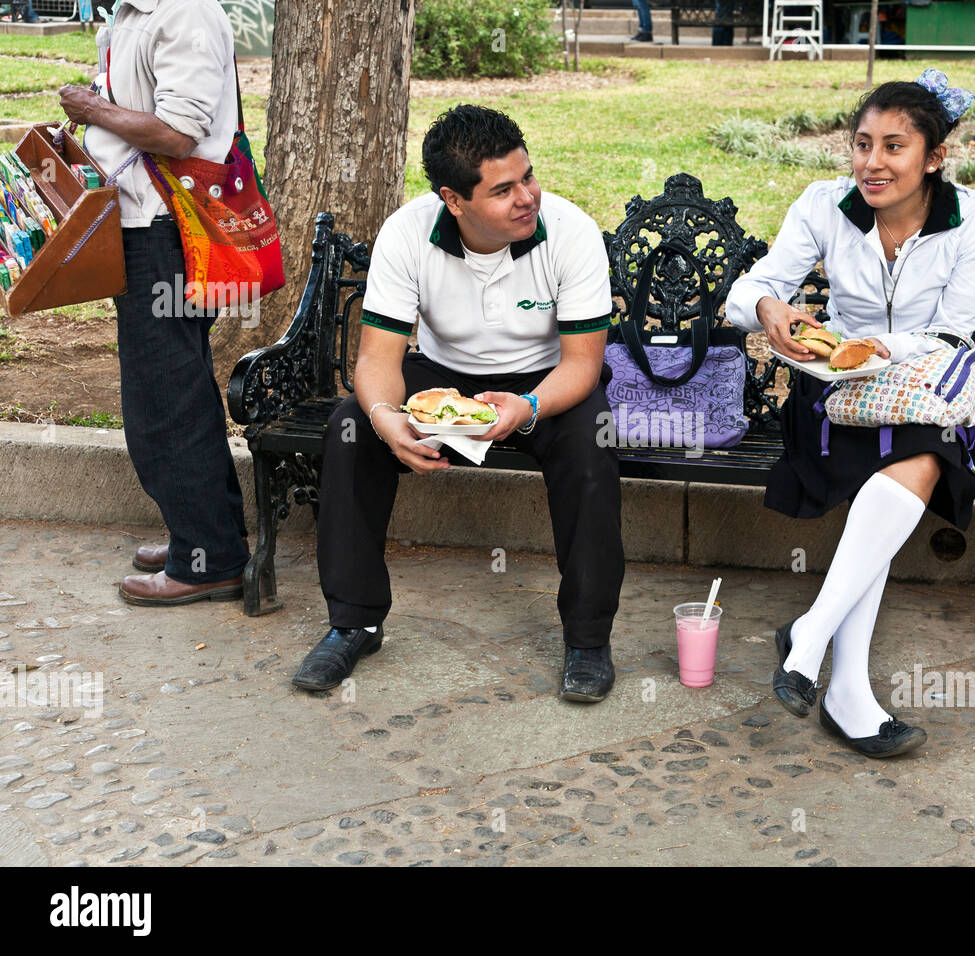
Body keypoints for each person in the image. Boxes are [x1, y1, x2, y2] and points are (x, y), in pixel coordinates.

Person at [292, 105, 624, 703]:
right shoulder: (407, 232)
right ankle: (354, 623)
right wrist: (385, 418)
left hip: (542, 381)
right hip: (444, 380)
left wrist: (524, 407)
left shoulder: (570, 232)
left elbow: (583, 365)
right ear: (454, 200)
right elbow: (377, 361)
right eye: (503, 190)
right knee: (350, 429)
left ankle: (587, 637)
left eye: (528, 176)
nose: (527, 197)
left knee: (589, 439)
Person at [725, 70, 975, 758]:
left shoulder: (974, 220)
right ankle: (847, 692)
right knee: (902, 476)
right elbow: (750, 290)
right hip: (833, 399)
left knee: (916, 450)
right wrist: (772, 311)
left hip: (924, 392)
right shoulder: (825, 206)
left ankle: (811, 640)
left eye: (894, 147)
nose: (872, 163)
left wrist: (878, 346)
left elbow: (952, 332)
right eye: (861, 144)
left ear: (935, 157)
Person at [58, 0, 249, 607]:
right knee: (172, 390)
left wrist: (93, 111)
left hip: (165, 231)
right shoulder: (131, 12)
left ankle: (209, 561)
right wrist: (88, 126)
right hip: (142, 225)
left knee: (167, 400)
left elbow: (177, 132)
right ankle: (204, 537)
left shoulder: (184, 10)